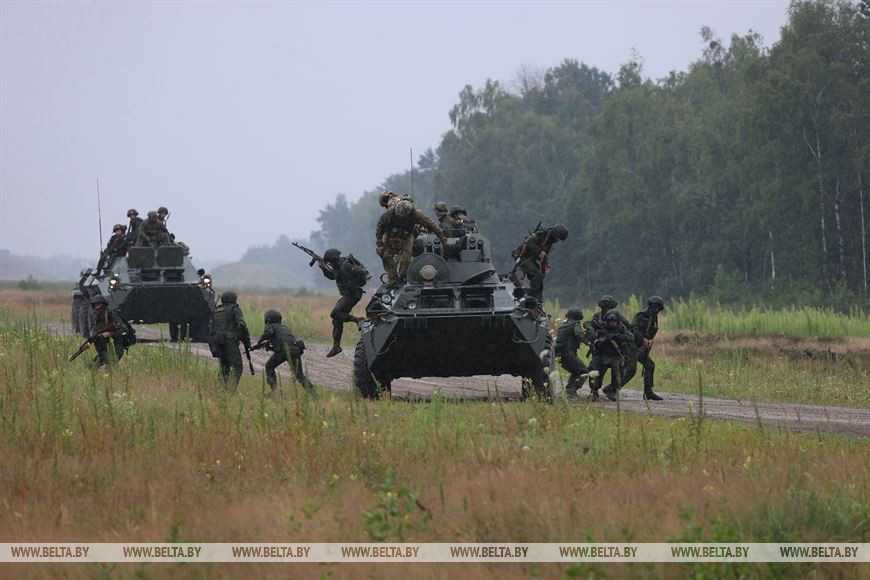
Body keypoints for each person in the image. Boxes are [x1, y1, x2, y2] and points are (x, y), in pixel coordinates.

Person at [376, 199, 447, 287]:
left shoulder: (415, 214)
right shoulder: (390, 213)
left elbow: (431, 225)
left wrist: (443, 239)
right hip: (391, 234)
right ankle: (393, 278)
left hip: (408, 235)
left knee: (406, 258)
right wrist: (379, 243)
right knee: (385, 255)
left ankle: (403, 278)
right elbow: (380, 226)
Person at [319, 248, 368, 357]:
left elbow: (361, 272)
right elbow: (332, 276)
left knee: (334, 313)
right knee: (337, 319)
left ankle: (358, 320)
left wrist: (363, 274)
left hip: (352, 295)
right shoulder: (337, 266)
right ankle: (336, 346)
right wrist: (323, 268)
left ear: (334, 259)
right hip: (348, 295)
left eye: (330, 261)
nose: (330, 264)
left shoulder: (345, 265)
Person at [254, 309, 314, 394]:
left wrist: (259, 342)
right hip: (295, 350)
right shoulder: (284, 327)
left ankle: (273, 391)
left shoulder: (271, 326)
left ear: (268, 319)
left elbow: (268, 334)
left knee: (269, 367)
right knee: (299, 375)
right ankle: (314, 393)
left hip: (284, 350)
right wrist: (269, 346)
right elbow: (282, 341)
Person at [511, 223, 569, 303]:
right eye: (558, 238)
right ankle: (530, 297)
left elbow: (544, 255)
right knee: (537, 274)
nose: (558, 240)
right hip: (523, 258)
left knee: (540, 276)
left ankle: (537, 300)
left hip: (531, 259)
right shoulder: (541, 234)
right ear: (556, 234)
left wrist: (546, 264)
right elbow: (528, 242)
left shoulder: (549, 241)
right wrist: (539, 252)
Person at [621, 295, 665, 401]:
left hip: (641, 347)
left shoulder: (653, 318)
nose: (657, 310)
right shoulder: (642, 315)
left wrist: (648, 342)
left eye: (659, 308)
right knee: (631, 371)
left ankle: (648, 392)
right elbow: (633, 330)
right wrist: (643, 340)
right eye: (655, 307)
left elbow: (650, 332)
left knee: (650, 365)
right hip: (632, 346)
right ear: (651, 306)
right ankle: (612, 389)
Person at [208, 291, 251, 389]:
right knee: (237, 366)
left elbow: (211, 328)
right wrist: (247, 341)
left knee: (224, 367)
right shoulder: (235, 309)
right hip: (230, 341)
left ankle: (219, 389)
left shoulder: (216, 310)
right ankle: (229, 391)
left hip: (217, 341)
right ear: (233, 299)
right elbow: (242, 325)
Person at [589, 311, 633, 401]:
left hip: (616, 355)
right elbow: (595, 339)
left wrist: (618, 337)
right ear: (607, 321)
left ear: (618, 322)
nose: (612, 323)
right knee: (593, 367)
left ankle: (612, 390)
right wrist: (598, 342)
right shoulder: (602, 328)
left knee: (616, 370)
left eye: (614, 321)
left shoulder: (622, 328)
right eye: (610, 321)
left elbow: (631, 337)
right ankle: (594, 391)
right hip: (602, 354)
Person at [87, 295, 130, 368]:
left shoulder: (111, 315)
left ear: (103, 305)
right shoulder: (97, 320)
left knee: (111, 365)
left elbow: (124, 329)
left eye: (99, 304)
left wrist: (110, 333)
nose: (97, 307)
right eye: (95, 305)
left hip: (116, 347)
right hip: (105, 350)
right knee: (91, 367)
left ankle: (119, 378)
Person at [554, 307, 589, 397]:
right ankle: (572, 391)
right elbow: (578, 334)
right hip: (568, 353)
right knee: (584, 371)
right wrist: (588, 342)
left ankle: (569, 390)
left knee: (576, 371)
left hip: (559, 354)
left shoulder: (565, 324)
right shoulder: (576, 323)